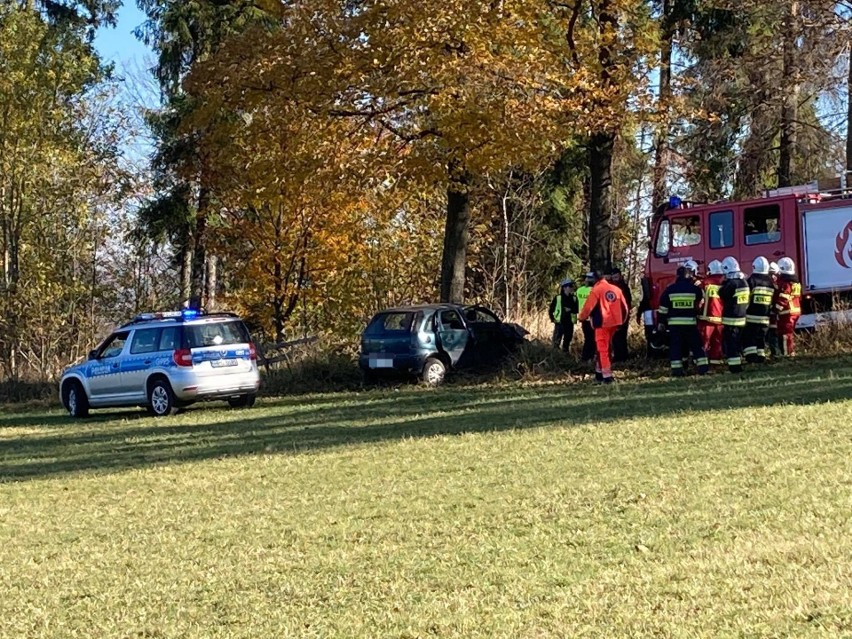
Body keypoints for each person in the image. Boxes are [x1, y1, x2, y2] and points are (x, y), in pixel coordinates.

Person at [577, 270, 629, 384]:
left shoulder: (597, 290)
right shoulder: (616, 289)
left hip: (602, 324)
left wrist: (581, 317)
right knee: (606, 348)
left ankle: (607, 376)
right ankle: (599, 373)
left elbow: (587, 308)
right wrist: (621, 322)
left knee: (602, 350)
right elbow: (625, 308)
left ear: (595, 280)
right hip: (615, 324)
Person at [656, 266, 709, 376]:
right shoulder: (694, 289)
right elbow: (701, 301)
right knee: (696, 346)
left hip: (674, 325)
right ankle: (703, 368)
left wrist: (661, 322)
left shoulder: (670, 289)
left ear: (677, 276)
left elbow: (663, 309)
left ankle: (677, 370)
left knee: (676, 347)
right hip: (690, 323)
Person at [718, 256, 750, 373]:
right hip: (742, 318)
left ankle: (734, 367)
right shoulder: (744, 283)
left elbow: (722, 294)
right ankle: (739, 364)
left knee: (731, 344)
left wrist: (723, 283)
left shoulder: (731, 284)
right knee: (738, 342)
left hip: (731, 319)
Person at [742, 256, 775, 364]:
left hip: (751, 316)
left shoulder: (752, 280)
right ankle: (761, 357)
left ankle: (751, 358)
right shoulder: (770, 282)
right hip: (765, 317)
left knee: (749, 337)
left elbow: (746, 298)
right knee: (760, 338)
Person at [698, 259, 725, 366]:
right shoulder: (725, 282)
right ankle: (716, 363)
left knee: (704, 342)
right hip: (721, 319)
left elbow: (699, 300)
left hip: (707, 318)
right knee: (717, 342)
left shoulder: (705, 283)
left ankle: (703, 364)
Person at [774, 257, 802, 356]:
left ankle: (787, 354)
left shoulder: (786, 283)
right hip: (795, 310)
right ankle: (790, 352)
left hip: (787, 312)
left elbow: (784, 298)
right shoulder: (796, 282)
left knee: (785, 334)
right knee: (789, 333)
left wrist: (776, 309)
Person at [608, 267, 633, 362]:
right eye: (614, 277)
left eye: (616, 277)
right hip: (614, 315)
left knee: (620, 337)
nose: (615, 279)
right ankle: (620, 356)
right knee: (616, 337)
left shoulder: (623, 287)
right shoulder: (611, 287)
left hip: (622, 315)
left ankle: (622, 356)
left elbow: (627, 302)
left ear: (620, 276)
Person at [548, 279, 578, 353]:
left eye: (572, 286)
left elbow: (576, 310)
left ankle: (565, 355)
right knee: (556, 341)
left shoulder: (574, 298)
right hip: (560, 322)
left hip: (569, 322)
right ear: (564, 288)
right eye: (570, 286)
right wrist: (552, 319)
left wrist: (570, 310)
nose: (572, 288)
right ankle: (555, 356)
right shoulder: (558, 298)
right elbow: (551, 309)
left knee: (567, 341)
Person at [575, 273, 597, 361]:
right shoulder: (594, 290)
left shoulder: (579, 290)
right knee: (592, 339)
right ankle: (589, 357)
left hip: (583, 317)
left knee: (588, 338)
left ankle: (586, 357)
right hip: (592, 317)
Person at [766, 261, 781, 357]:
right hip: (775, 311)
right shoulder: (779, 281)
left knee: (772, 334)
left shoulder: (768, 282)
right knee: (774, 333)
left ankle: (775, 353)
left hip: (772, 311)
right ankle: (776, 352)